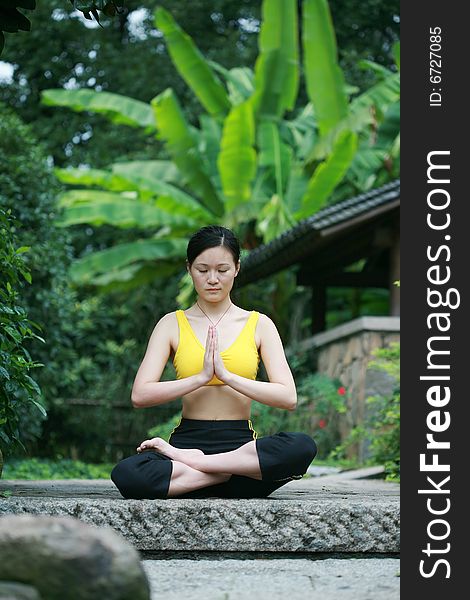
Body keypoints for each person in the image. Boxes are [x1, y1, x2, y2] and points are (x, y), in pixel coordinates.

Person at [111, 225, 317, 499]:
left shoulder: (259, 324)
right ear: (189, 268)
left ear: (236, 268)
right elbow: (140, 394)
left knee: (302, 447)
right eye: (202, 269)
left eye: (222, 270)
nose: (212, 279)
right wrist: (200, 378)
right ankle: (221, 475)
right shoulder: (171, 324)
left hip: (238, 451)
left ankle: (204, 469)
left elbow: (288, 397)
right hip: (192, 445)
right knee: (126, 474)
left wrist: (228, 376)